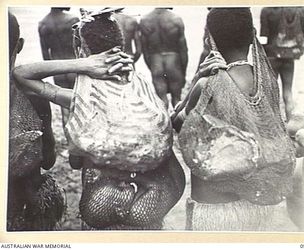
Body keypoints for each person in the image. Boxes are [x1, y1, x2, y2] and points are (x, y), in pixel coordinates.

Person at [14, 9, 185, 230]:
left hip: (101, 204)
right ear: (120, 47)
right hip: (148, 204)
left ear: (83, 50)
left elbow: (21, 74)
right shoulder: (144, 94)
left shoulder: (81, 100)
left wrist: (84, 65)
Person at [172, 8, 297, 231]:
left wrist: (196, 78)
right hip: (258, 208)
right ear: (252, 35)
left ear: (209, 39)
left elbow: (178, 124)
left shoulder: (206, 85)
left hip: (215, 212)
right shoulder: (267, 82)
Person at [8, 12, 64, 231]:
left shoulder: (44, 23)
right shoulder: (32, 96)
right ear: (19, 45)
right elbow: (48, 160)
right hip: (22, 208)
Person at [260, 7, 304, 121]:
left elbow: (263, 39)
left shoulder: (267, 11)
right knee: (288, 92)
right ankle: (290, 124)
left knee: (270, 92)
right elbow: (302, 31)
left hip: (272, 56)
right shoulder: (299, 9)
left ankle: (273, 123)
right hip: (289, 56)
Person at [38, 7, 79, 131]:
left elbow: (45, 56)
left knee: (65, 110)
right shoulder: (72, 19)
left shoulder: (43, 23)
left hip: (58, 71)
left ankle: (69, 142)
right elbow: (80, 46)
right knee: (79, 106)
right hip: (75, 67)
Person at [140, 8, 188, 108]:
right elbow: (183, 49)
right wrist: (183, 71)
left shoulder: (145, 20)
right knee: (177, 100)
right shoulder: (176, 19)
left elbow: (145, 50)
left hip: (156, 61)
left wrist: (152, 67)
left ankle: (166, 123)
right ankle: (178, 123)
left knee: (161, 101)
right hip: (173, 61)